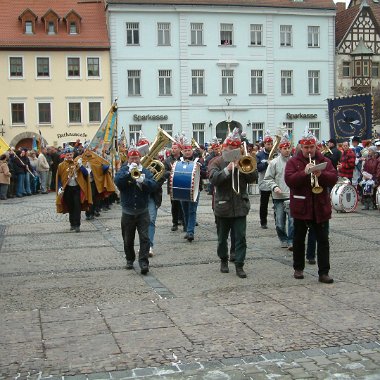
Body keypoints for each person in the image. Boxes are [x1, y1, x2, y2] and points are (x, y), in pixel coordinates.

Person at [284, 129, 338, 284]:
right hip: (301, 205)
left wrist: (322, 175)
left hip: (320, 207)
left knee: (323, 240)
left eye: (311, 147)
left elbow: (333, 178)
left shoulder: (325, 161)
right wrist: (304, 173)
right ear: (301, 146)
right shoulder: (293, 162)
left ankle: (324, 272)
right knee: (299, 239)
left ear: (316, 147)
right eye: (306, 148)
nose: (309, 150)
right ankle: (298, 268)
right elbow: (289, 180)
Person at [209, 128, 256, 278]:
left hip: (240, 206)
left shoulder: (243, 160)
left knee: (241, 237)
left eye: (236, 148)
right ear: (224, 148)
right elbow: (214, 179)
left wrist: (242, 168)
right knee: (222, 238)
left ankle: (239, 265)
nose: (233, 151)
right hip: (223, 206)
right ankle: (223, 259)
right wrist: (228, 169)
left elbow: (253, 177)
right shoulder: (216, 162)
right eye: (230, 148)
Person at [114, 142, 157, 275]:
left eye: (136, 158)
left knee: (144, 238)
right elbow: (118, 181)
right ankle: (129, 259)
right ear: (128, 159)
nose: (134, 160)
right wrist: (129, 173)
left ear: (140, 159)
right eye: (132, 158)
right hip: (128, 211)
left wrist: (143, 181)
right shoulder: (123, 170)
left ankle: (143, 262)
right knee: (128, 238)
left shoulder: (145, 171)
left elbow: (154, 185)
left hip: (142, 210)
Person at [262, 133, 294, 250]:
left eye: (288, 148)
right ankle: (283, 238)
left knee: (292, 221)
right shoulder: (274, 163)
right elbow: (267, 178)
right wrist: (275, 187)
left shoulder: (294, 161)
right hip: (278, 196)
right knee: (280, 222)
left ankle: (291, 240)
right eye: (284, 148)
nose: (287, 150)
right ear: (280, 149)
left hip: (291, 195)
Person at [55, 146, 92, 232]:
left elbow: (86, 174)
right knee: (70, 207)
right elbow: (59, 178)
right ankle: (72, 224)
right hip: (67, 189)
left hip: (76, 189)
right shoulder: (61, 165)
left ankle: (77, 225)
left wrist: (81, 166)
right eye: (68, 155)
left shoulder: (77, 164)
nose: (69, 156)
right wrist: (60, 187)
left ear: (73, 154)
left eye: (71, 154)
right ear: (65, 155)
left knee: (77, 206)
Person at [178, 134, 206, 242]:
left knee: (192, 210)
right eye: (185, 150)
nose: (187, 152)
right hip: (182, 188)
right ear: (182, 152)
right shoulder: (178, 161)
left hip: (195, 189)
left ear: (192, 150)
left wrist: (200, 168)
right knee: (185, 210)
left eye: (189, 150)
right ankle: (187, 228)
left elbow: (205, 174)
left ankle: (190, 232)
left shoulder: (199, 160)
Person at [164, 141, 183, 231]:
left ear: (179, 149)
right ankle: (174, 223)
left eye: (175, 148)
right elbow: (164, 172)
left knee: (183, 204)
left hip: (183, 184)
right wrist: (171, 172)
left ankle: (184, 221)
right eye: (172, 148)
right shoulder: (167, 160)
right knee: (174, 205)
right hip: (172, 185)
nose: (173, 150)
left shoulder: (183, 158)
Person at [257, 131, 274, 229]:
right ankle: (263, 221)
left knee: (277, 203)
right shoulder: (260, 155)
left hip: (274, 181)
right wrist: (266, 163)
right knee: (264, 204)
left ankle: (278, 220)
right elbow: (258, 168)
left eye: (271, 144)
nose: (270, 145)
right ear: (264, 144)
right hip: (264, 181)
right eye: (268, 144)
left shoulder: (276, 153)